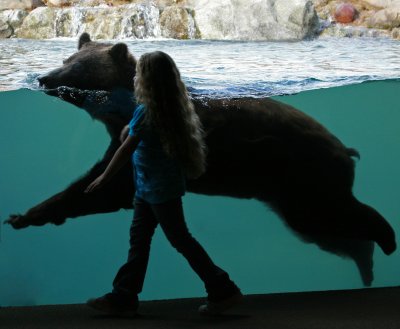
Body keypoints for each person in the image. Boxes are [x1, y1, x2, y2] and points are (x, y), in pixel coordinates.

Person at [85, 51, 242, 316]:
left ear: (146, 80)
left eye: (139, 73)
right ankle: (123, 297)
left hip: (157, 190)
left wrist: (104, 177)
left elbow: (126, 149)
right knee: (141, 241)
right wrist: (127, 132)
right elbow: (133, 135)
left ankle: (223, 289)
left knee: (180, 239)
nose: (135, 77)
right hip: (152, 188)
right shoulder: (171, 106)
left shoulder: (146, 112)